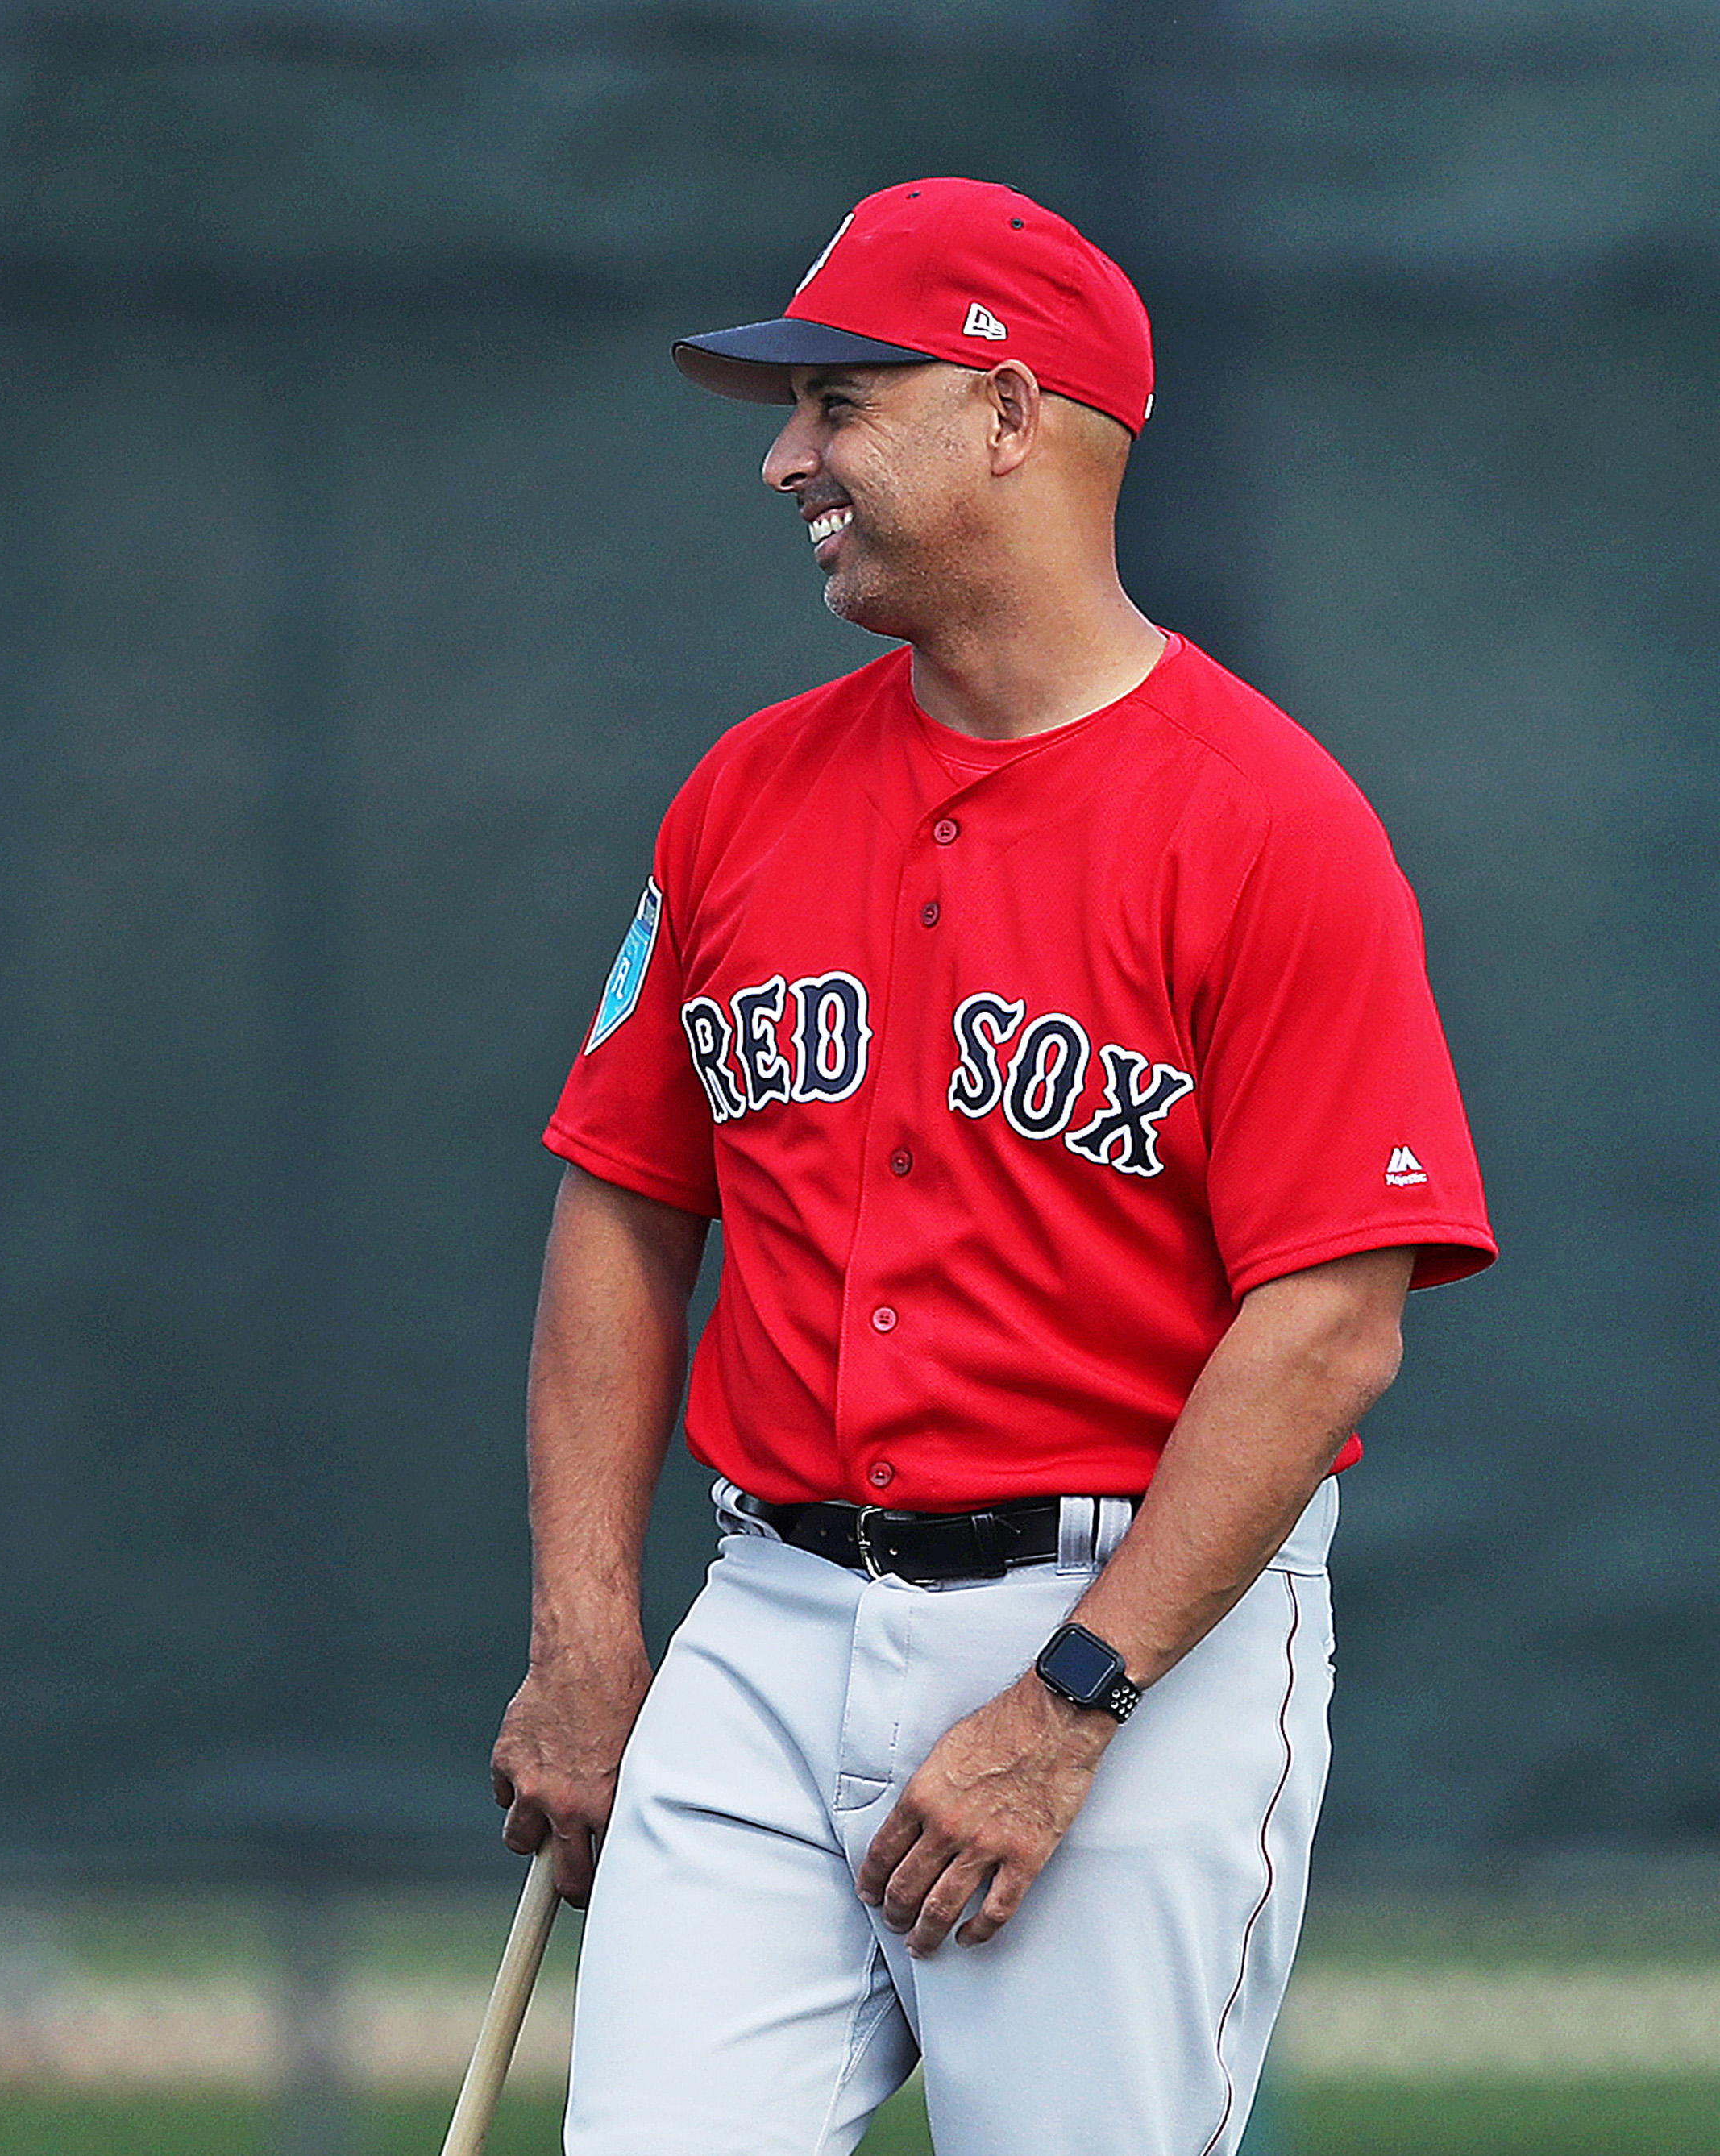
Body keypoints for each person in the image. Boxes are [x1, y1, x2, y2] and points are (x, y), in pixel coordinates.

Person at [488, 178, 1494, 2156]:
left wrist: (1062, 1712)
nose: (785, 457)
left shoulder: (1271, 824)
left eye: (839, 404)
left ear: (1011, 418)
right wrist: (586, 1634)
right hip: (764, 1613)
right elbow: (621, 1204)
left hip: (1130, 1638)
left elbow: (1328, 1332)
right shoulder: (741, 793)